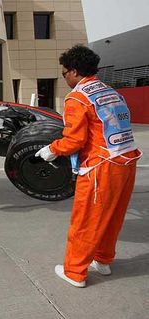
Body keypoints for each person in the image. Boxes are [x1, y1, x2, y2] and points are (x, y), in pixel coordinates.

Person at [35, 45, 142, 287]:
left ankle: (74, 272)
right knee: (112, 216)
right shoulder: (111, 91)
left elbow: (74, 140)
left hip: (100, 166)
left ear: (74, 71)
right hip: (126, 162)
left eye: (64, 73)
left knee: (86, 219)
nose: (64, 78)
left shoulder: (78, 97)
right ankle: (103, 261)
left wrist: (52, 150)